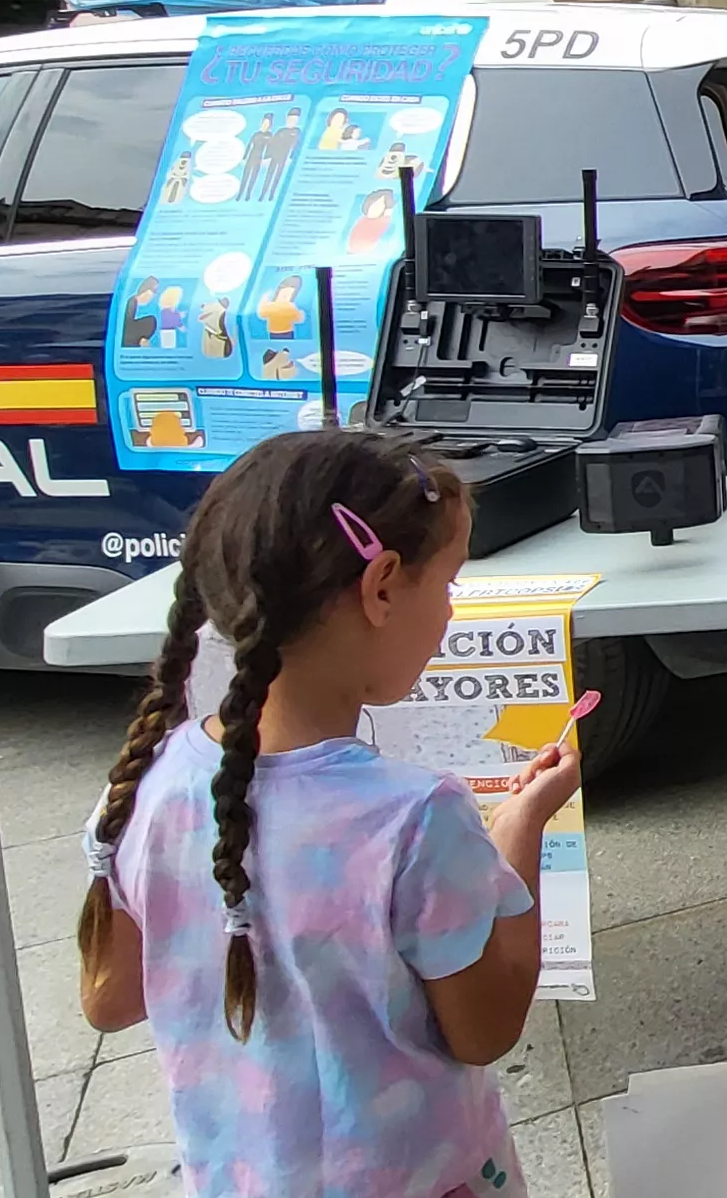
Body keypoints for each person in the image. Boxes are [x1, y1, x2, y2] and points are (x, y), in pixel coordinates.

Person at [75, 428, 585, 1198]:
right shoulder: (415, 819)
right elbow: (487, 1029)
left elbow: (109, 1000)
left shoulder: (146, 783)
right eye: (446, 584)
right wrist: (516, 839)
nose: (448, 610)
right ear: (381, 586)